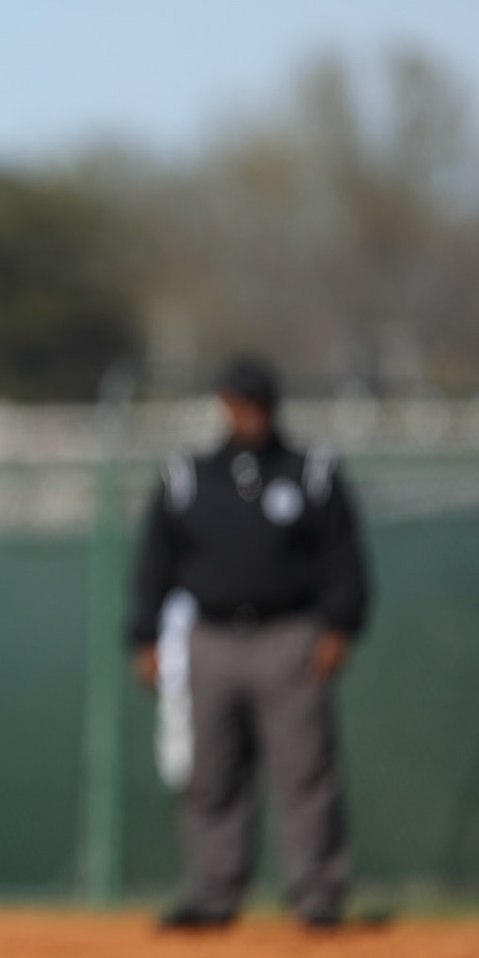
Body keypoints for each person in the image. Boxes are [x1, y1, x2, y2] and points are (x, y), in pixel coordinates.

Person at [128, 356, 370, 928]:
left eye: (256, 403)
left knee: (304, 771)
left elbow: (344, 558)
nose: (246, 414)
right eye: (237, 403)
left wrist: (339, 625)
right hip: (210, 636)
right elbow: (155, 562)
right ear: (223, 406)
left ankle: (317, 894)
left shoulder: (310, 471)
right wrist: (146, 634)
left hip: (289, 634)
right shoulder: (189, 475)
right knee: (210, 774)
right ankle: (213, 893)